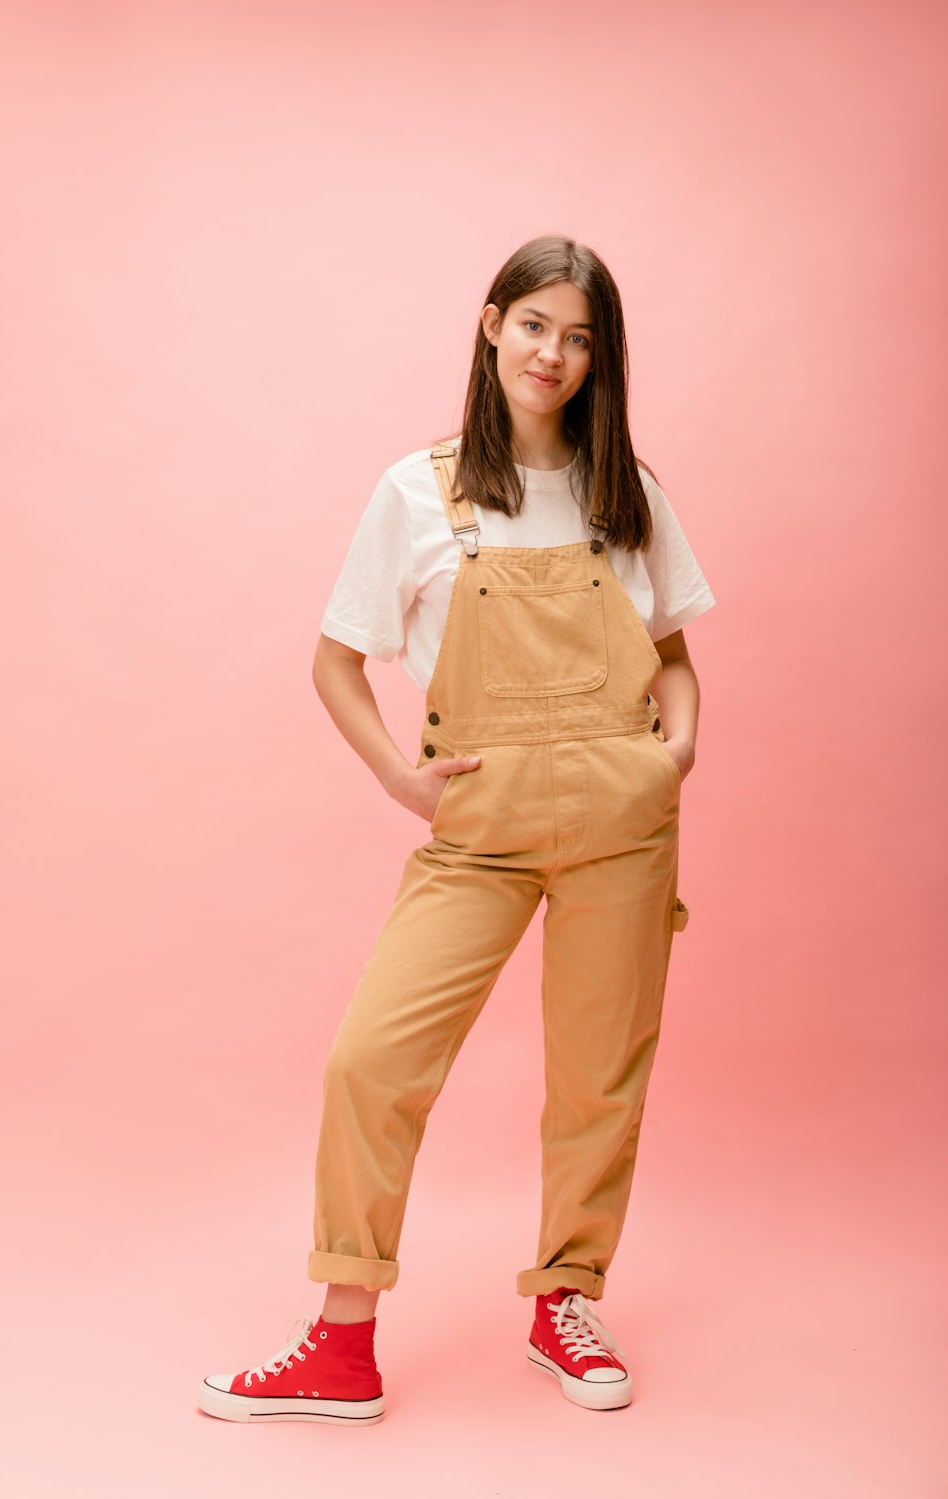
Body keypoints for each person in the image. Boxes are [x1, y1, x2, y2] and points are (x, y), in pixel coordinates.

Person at [198, 234, 715, 1425]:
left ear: (601, 357)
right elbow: (335, 659)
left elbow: (675, 656)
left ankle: (565, 1298)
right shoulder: (417, 491)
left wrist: (675, 752)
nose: (555, 353)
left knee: (598, 1078)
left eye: (580, 337)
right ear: (491, 327)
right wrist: (399, 776)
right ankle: (339, 1343)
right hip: (477, 830)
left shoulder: (620, 490)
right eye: (535, 324)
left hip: (623, 824)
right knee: (371, 1059)